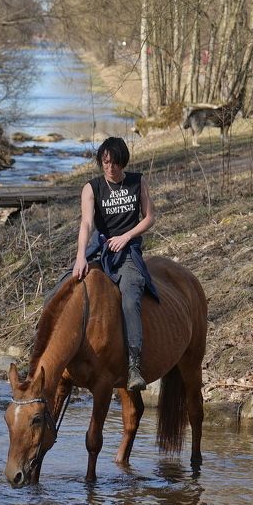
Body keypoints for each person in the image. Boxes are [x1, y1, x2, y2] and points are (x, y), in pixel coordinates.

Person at [73, 137, 157, 392]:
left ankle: (134, 364)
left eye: (115, 163)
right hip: (100, 249)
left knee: (131, 296)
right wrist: (80, 256)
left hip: (128, 250)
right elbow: (86, 223)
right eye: (106, 162)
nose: (110, 168)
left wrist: (127, 236)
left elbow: (150, 217)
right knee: (66, 285)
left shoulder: (137, 181)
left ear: (123, 162)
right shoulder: (92, 188)